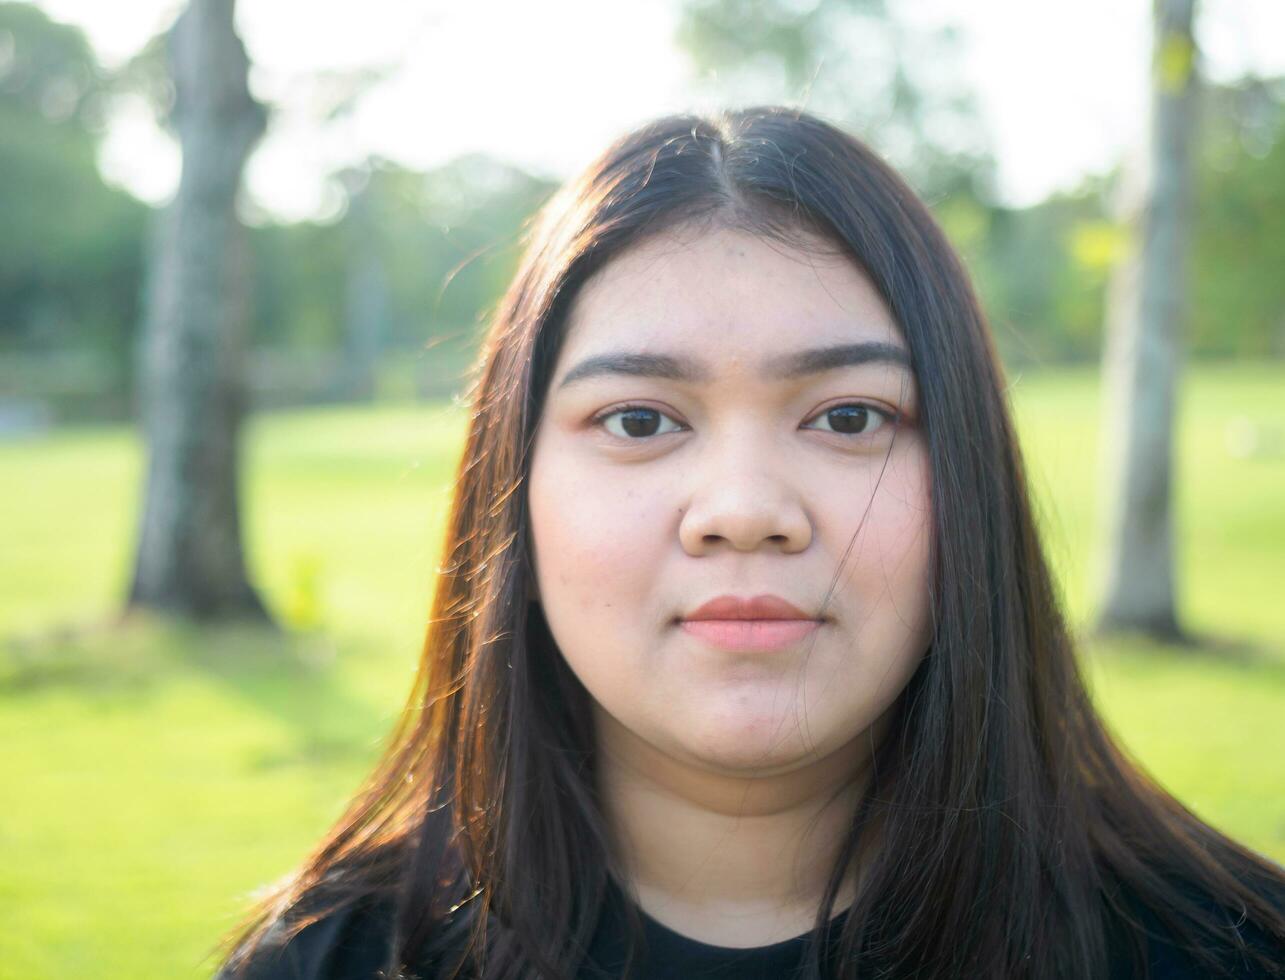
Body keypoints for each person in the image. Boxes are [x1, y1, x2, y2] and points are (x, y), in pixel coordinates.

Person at [213, 106, 1285, 980]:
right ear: (513, 496)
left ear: (969, 483)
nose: (742, 508)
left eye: (850, 416)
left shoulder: (1224, 949)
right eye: (639, 420)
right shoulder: (331, 961)